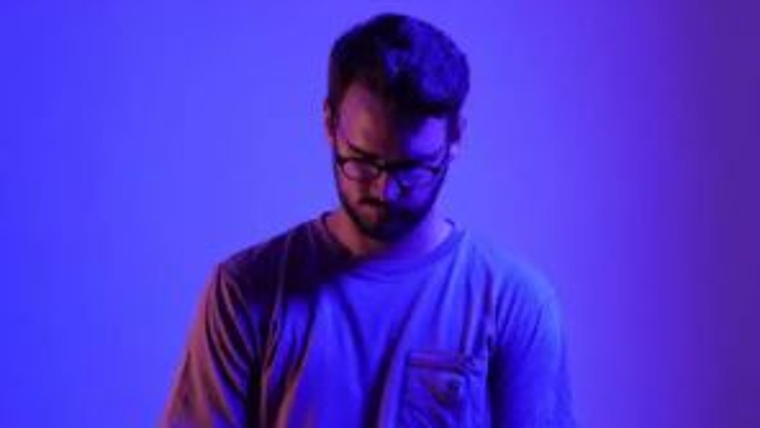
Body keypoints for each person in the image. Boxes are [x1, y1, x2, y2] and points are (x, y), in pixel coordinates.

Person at [161, 12, 575, 428]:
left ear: (456, 139)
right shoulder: (242, 290)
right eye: (362, 160)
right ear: (329, 124)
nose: (385, 190)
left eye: (412, 167)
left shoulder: (516, 304)